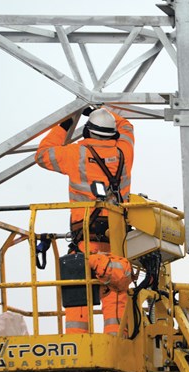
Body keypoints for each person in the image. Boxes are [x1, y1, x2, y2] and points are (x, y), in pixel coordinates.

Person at [35, 106, 134, 335]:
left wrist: (67, 123)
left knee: (77, 289)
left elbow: (42, 154)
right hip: (118, 240)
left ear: (88, 132)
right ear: (113, 135)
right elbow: (127, 127)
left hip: (86, 242)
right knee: (116, 291)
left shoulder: (76, 154)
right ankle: (118, 343)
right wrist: (105, 110)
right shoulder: (124, 153)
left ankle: (77, 342)